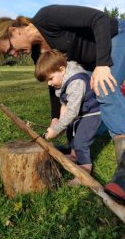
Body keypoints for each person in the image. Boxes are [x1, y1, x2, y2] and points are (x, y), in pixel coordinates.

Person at [0, 4, 125, 205]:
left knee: (104, 87)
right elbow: (55, 85)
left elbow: (100, 20)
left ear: (14, 31)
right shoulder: (36, 52)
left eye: (10, 49)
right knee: (79, 97)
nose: (15, 55)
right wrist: (56, 119)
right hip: (93, 59)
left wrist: (103, 65)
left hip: (120, 36)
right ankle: (77, 147)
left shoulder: (48, 17)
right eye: (10, 55)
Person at [35, 49, 102, 185]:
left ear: (62, 70)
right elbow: (64, 106)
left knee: (80, 142)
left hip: (92, 113)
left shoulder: (76, 81)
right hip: (79, 113)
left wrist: (57, 129)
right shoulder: (61, 81)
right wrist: (59, 125)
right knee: (71, 135)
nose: (49, 84)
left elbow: (72, 111)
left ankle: (84, 171)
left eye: (50, 78)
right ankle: (73, 155)